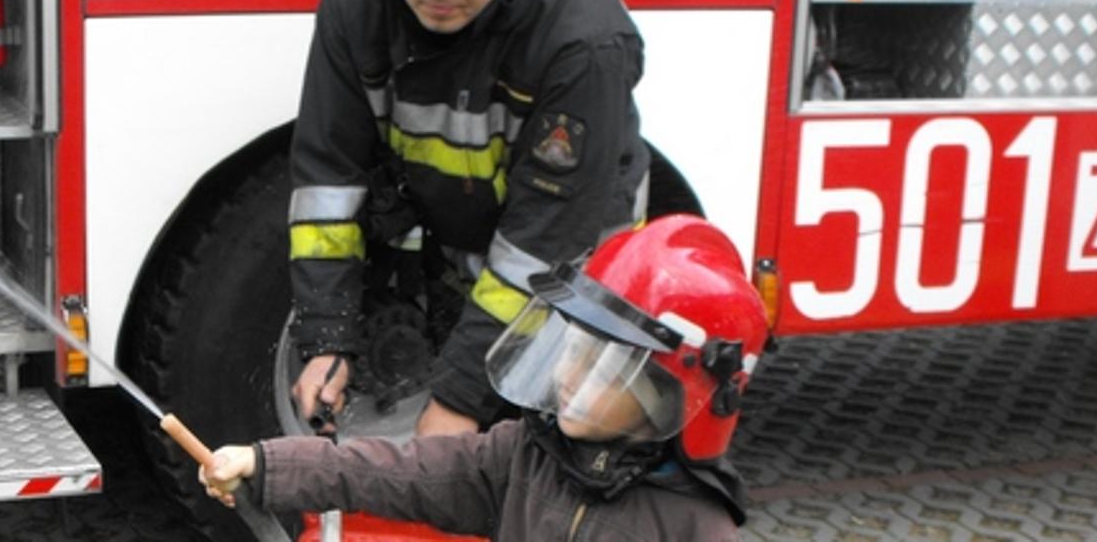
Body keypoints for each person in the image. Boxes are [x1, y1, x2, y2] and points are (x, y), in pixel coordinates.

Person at [287, 0, 650, 437]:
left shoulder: (579, 40)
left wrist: (459, 399)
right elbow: (328, 179)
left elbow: (545, 246)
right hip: (469, 246)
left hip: (580, 274)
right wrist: (326, 337)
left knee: (557, 447)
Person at [204, 215, 769, 541]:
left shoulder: (696, 527)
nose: (569, 375)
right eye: (570, 349)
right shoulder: (523, 456)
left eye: (605, 369)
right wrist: (266, 463)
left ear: (671, 401)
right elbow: (397, 472)